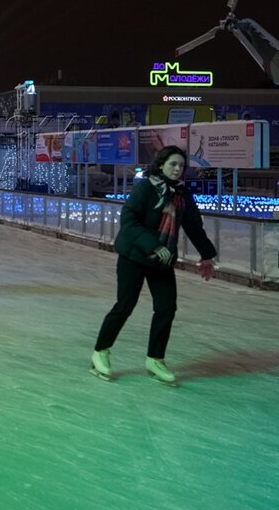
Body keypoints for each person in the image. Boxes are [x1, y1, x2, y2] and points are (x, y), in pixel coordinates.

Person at [90, 145, 216, 386]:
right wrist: (154, 246)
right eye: (173, 164)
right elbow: (129, 221)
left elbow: (193, 227)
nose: (177, 169)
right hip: (134, 256)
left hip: (162, 260)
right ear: (161, 165)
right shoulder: (146, 188)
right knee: (125, 305)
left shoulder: (181, 194)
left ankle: (155, 360)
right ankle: (101, 351)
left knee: (166, 308)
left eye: (181, 165)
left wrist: (207, 255)